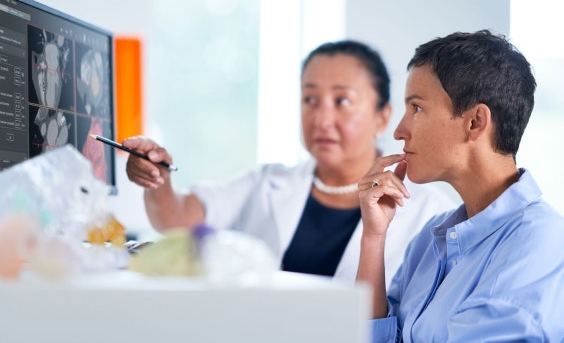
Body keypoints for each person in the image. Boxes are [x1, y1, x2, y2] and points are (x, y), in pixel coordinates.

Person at [124, 40, 454, 285]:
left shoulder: (431, 212)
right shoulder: (268, 183)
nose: (323, 119)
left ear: (382, 117)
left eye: (342, 101)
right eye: (310, 99)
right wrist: (158, 178)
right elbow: (176, 218)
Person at [356, 30, 564, 342]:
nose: (400, 131)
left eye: (416, 108)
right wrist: (373, 237)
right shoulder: (430, 240)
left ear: (476, 122)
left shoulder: (540, 244)